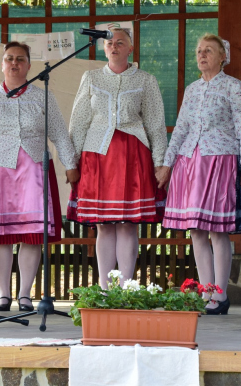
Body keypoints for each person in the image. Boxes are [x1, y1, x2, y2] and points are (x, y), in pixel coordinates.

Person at [0, 42, 79, 312]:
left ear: (29, 66)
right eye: (9, 59)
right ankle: (3, 294)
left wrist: (71, 164)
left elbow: (60, 134)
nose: (14, 63)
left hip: (34, 171)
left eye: (20, 59)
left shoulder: (43, 97)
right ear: (2, 64)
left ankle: (25, 294)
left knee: (32, 235)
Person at [158, 34, 241, 315]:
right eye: (199, 51)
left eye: (208, 51)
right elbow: (182, 128)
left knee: (218, 230)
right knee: (196, 230)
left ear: (223, 56)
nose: (202, 55)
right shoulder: (192, 89)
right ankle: (206, 291)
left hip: (219, 160)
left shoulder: (234, 87)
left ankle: (219, 295)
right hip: (190, 162)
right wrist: (167, 163)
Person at [68, 27, 168, 289]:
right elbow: (78, 122)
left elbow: (156, 124)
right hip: (96, 155)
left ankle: (126, 286)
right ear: (103, 48)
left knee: (126, 224)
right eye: (110, 42)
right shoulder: (90, 77)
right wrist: (71, 161)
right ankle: (103, 286)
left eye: (120, 42)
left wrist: (160, 163)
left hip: (132, 154)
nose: (114, 46)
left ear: (131, 48)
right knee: (103, 224)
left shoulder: (146, 80)